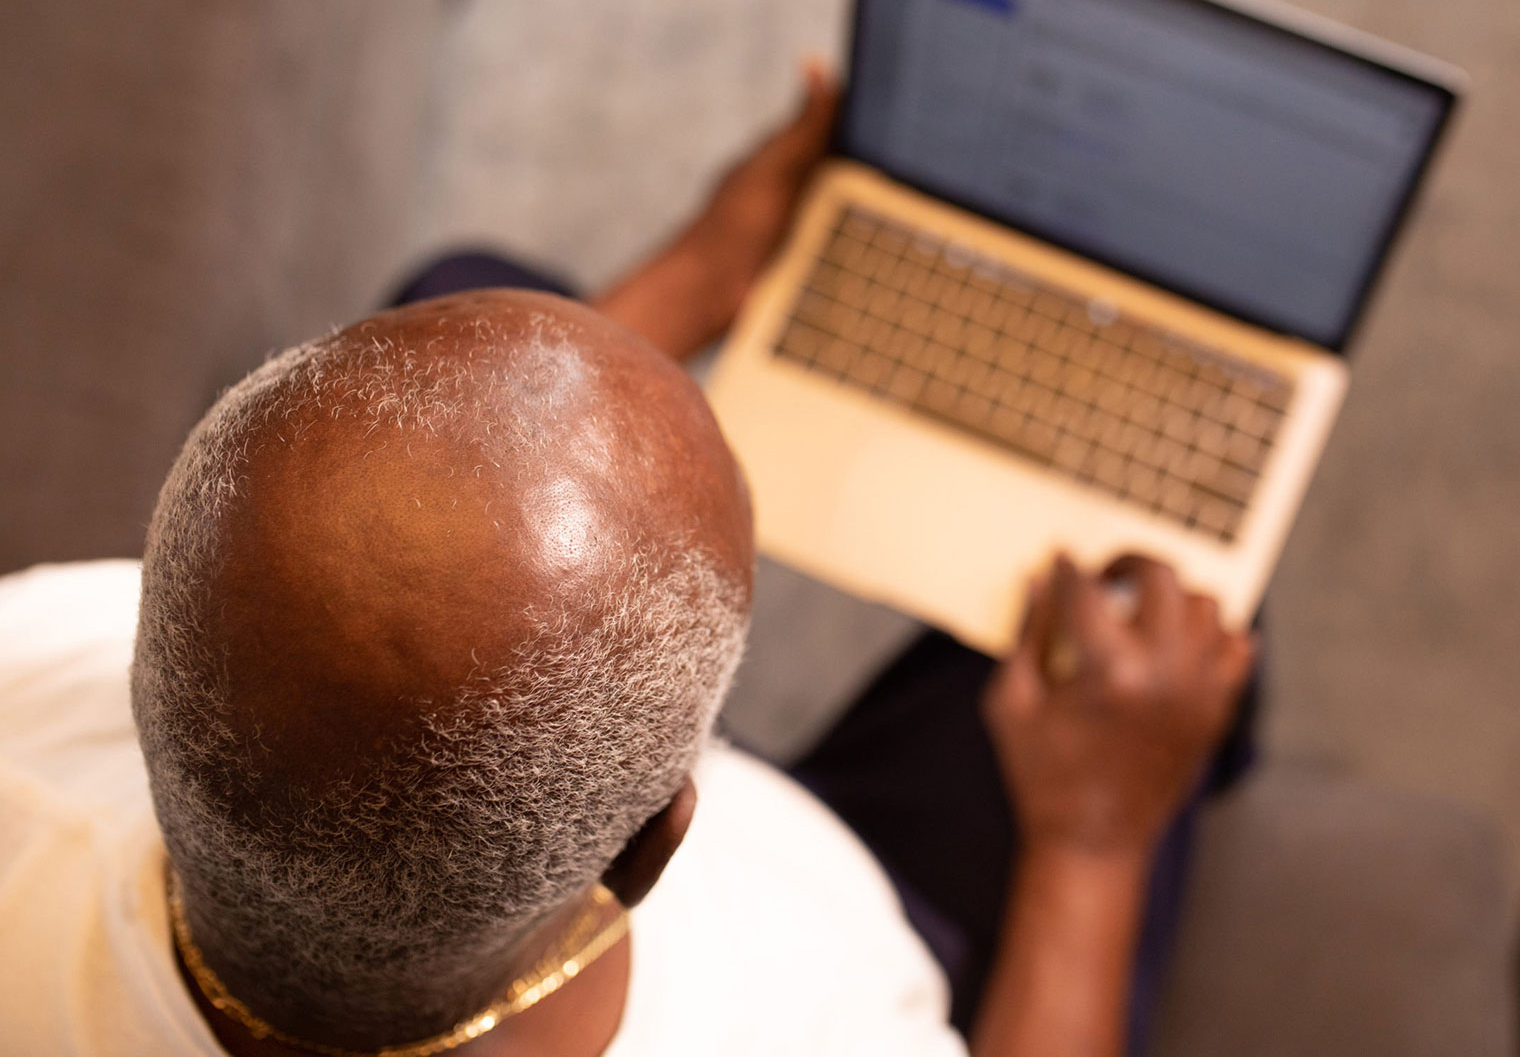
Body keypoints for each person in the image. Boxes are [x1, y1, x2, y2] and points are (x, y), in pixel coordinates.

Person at [0, 65, 1255, 1057]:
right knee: (1173, 620)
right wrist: (1093, 838)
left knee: (466, 295)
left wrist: (701, 273)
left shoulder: (28, 667)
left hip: (526, 818)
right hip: (856, 875)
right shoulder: (820, 1025)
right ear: (652, 845)